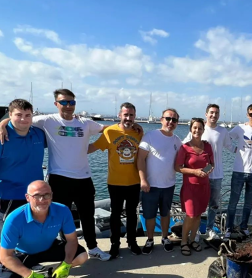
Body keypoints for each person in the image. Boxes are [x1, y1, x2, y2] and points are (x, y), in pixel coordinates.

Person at [0, 89, 111, 261]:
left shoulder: (81, 124)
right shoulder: (46, 121)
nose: (68, 105)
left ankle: (89, 249)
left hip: (78, 179)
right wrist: (0, 124)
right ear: (56, 104)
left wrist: (129, 127)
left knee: (83, 215)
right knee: (11, 229)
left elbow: (107, 129)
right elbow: (18, 119)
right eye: (63, 102)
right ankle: (5, 267)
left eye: (71, 102)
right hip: (50, 180)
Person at [0, 181, 88, 278]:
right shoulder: (14, 219)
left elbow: (71, 240)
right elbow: (5, 256)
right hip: (23, 253)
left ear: (52, 195)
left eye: (46, 195)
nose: (42, 200)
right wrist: (28, 274)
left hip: (49, 247)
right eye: (37, 196)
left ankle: (53, 275)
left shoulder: (62, 210)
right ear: (27, 198)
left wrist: (66, 263)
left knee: (82, 256)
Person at [0, 99, 46, 267]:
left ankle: (28, 264)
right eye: (18, 115)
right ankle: (3, 272)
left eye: (27, 115)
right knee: (2, 236)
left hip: (34, 195)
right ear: (10, 115)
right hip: (7, 194)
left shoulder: (38, 134)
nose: (23, 119)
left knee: (28, 231)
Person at [88, 102, 143, 257]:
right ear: (119, 115)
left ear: (135, 116)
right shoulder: (110, 132)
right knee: (115, 214)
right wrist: (71, 152)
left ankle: (132, 242)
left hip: (134, 181)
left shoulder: (139, 132)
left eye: (131, 115)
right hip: (115, 182)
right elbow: (93, 147)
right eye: (125, 114)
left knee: (132, 214)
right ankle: (115, 244)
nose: (128, 118)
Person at [182, 104, 235, 241]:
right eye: (211, 112)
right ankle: (197, 231)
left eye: (216, 113)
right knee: (198, 205)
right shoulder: (198, 129)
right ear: (206, 114)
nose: (214, 115)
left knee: (214, 205)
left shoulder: (223, 132)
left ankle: (210, 229)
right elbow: (183, 146)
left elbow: (231, 147)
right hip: (198, 178)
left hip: (216, 175)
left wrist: (250, 146)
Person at [138, 108, 182, 254]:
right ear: (161, 119)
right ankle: (150, 240)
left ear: (177, 122)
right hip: (150, 186)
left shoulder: (177, 141)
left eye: (174, 120)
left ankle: (165, 237)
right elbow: (140, 159)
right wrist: (143, 179)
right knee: (149, 215)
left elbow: (183, 161)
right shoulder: (150, 136)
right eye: (168, 118)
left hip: (169, 185)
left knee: (165, 213)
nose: (171, 122)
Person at [226, 104, 252, 238]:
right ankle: (228, 228)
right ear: (247, 115)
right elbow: (226, 138)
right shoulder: (240, 128)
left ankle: (244, 226)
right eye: (251, 114)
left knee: (248, 203)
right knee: (233, 202)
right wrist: (233, 149)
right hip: (238, 171)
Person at [175, 118, 214, 255]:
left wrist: (207, 170)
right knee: (190, 215)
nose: (197, 130)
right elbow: (177, 167)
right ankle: (184, 242)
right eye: (195, 128)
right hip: (190, 188)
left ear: (204, 130)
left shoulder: (207, 146)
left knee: (198, 215)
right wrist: (195, 172)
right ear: (191, 129)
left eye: (200, 128)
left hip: (204, 187)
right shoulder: (184, 147)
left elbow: (212, 164)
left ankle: (192, 240)